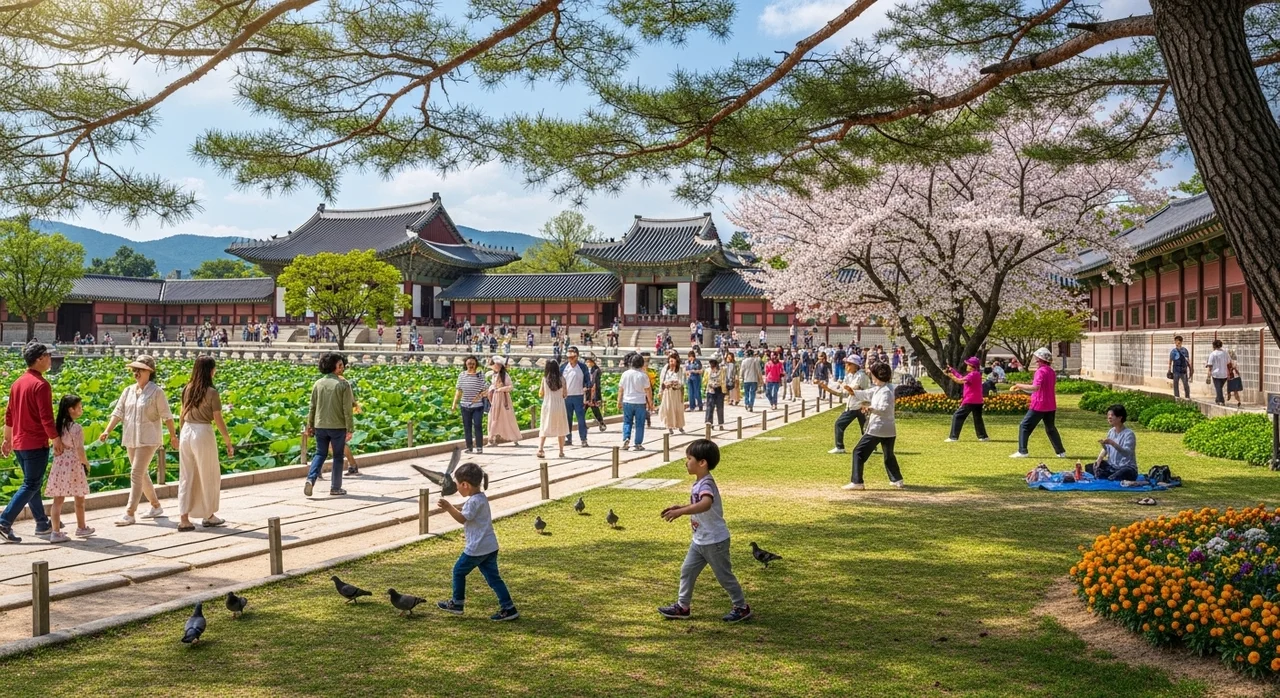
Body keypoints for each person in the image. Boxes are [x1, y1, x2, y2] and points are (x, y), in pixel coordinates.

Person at [657, 439, 753, 623]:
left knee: (724, 576)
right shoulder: (699, 482)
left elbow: (706, 503)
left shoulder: (706, 483)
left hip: (714, 541)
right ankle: (682, 607)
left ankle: (741, 607)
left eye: (689, 458)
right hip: (700, 540)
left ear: (702, 463)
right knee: (687, 571)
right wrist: (683, 506)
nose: (686, 462)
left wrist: (681, 511)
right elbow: (698, 503)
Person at [434, 462, 519, 621]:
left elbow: (462, 518)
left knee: (458, 571)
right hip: (490, 546)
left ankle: (457, 603)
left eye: (458, 485)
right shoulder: (480, 498)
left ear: (465, 484)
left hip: (477, 548)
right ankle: (509, 608)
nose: (457, 488)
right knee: (494, 579)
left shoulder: (473, 501)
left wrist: (448, 507)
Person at [100, 354, 177, 526]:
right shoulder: (128, 391)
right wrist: (107, 430)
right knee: (141, 474)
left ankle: (129, 513)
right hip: (130, 437)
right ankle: (156, 506)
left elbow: (167, 417)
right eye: (135, 370)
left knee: (135, 473)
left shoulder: (157, 392)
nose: (136, 373)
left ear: (149, 371)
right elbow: (118, 413)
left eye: (140, 370)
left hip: (149, 439)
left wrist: (173, 436)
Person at [0, 342, 61, 543]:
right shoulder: (41, 385)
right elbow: (46, 417)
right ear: (39, 359)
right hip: (35, 442)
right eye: (48, 355)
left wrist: (7, 439)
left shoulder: (17, 383)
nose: (50, 359)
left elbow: (9, 415)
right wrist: (56, 438)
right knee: (31, 483)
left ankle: (42, 523)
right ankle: (4, 521)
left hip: (19, 442)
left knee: (31, 483)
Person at [177, 356, 234, 531]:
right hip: (202, 432)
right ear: (210, 370)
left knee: (186, 476)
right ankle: (208, 515)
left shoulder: (187, 388)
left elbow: (181, 413)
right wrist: (228, 441)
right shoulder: (212, 392)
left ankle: (184, 518)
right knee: (208, 474)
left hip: (186, 430)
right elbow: (218, 419)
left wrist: (180, 434)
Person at [843, 362, 905, 490]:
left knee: (858, 452)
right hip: (888, 430)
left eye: (873, 376)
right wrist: (852, 392)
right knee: (888, 455)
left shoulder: (886, 392)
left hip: (878, 427)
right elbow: (866, 393)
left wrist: (870, 409)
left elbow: (884, 408)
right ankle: (897, 479)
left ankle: (857, 482)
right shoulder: (881, 388)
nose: (872, 378)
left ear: (878, 376)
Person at [303, 353, 354, 497]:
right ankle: (335, 487)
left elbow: (312, 407)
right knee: (338, 456)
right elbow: (347, 409)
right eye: (340, 365)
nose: (342, 368)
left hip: (320, 425)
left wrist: (310, 425)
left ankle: (310, 479)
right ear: (334, 367)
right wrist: (350, 429)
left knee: (320, 453)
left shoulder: (318, 384)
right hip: (337, 426)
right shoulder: (343, 384)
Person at [45, 395, 93, 542]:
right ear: (71, 409)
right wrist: (86, 463)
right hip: (74, 464)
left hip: (59, 464)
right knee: (79, 497)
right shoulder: (76, 428)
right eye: (79, 407)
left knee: (58, 500)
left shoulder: (57, 427)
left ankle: (55, 532)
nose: (81, 409)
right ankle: (81, 527)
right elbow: (79, 449)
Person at [1009, 347, 1066, 459]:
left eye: (1037, 359)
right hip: (1050, 405)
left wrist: (1019, 385)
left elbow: (1035, 388)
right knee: (1050, 428)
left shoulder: (1040, 371)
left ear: (1041, 360)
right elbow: (1040, 388)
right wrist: (1022, 388)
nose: (1036, 361)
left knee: (1024, 426)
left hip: (1039, 404)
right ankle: (1061, 452)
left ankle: (1022, 451)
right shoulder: (1051, 371)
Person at [823, 355, 870, 454]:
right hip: (852, 405)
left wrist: (843, 385)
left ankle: (841, 447)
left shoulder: (861, 376)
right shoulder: (849, 376)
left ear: (855, 365)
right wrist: (828, 389)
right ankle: (840, 447)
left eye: (849, 364)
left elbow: (852, 389)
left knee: (864, 427)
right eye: (846, 363)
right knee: (864, 427)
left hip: (860, 405)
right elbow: (844, 392)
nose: (846, 366)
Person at [944, 357, 989, 442]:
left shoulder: (972, 375)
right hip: (978, 400)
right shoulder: (976, 374)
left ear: (972, 366)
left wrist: (950, 375)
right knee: (977, 418)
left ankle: (953, 437)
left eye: (968, 364)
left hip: (970, 400)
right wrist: (952, 370)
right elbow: (962, 378)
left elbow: (960, 381)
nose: (966, 366)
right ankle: (983, 436)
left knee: (957, 416)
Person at [1088, 404, 1138, 481]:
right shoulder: (1111, 432)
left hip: (1126, 467)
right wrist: (1099, 459)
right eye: (1108, 415)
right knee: (1089, 467)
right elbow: (1106, 449)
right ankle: (1108, 475)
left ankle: (1108, 476)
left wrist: (1112, 443)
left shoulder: (1129, 434)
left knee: (1123, 473)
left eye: (1112, 415)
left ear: (1120, 417)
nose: (1109, 417)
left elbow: (1126, 453)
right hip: (1112, 467)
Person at [452, 355, 487, 454]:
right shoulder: (462, 375)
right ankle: (469, 447)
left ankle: (479, 447)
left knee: (477, 425)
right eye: (469, 364)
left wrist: (479, 396)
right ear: (465, 364)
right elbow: (458, 391)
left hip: (478, 406)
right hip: (464, 405)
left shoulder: (480, 375)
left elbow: (485, 390)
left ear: (476, 364)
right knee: (467, 426)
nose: (471, 365)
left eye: (473, 364)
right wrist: (454, 403)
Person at [618, 353, 652, 451]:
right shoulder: (643, 375)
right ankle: (638, 443)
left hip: (627, 401)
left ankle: (626, 438)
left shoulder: (625, 374)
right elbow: (648, 390)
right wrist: (650, 403)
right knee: (640, 424)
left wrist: (619, 401)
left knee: (627, 422)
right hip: (640, 402)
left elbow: (621, 389)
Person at [487, 356, 523, 447]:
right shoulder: (493, 375)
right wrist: (492, 389)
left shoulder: (505, 375)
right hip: (495, 398)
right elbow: (493, 385)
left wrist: (500, 389)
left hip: (503, 398)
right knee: (493, 418)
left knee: (507, 417)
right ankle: (492, 439)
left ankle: (514, 438)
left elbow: (510, 387)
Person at [560, 346, 592, 448]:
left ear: (577, 356)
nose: (571, 359)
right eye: (569, 357)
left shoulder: (582, 367)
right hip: (566, 397)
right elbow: (559, 380)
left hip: (579, 396)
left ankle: (583, 439)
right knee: (567, 419)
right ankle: (568, 438)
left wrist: (586, 387)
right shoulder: (563, 367)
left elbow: (588, 380)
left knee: (581, 419)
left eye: (572, 357)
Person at [537, 359, 569, 459]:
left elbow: (541, 393)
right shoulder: (562, 379)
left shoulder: (544, 379)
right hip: (559, 405)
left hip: (548, 404)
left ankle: (541, 449)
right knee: (561, 428)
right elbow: (565, 394)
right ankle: (561, 451)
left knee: (544, 427)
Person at [659, 353, 686, 434]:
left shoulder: (680, 369)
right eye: (670, 361)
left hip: (677, 392)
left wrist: (677, 383)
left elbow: (682, 380)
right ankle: (669, 426)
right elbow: (662, 379)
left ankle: (680, 426)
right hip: (668, 392)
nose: (671, 363)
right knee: (668, 409)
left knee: (678, 409)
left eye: (673, 361)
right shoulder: (665, 368)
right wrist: (665, 384)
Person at [703, 358, 727, 429]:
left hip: (719, 390)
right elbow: (704, 380)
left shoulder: (721, 370)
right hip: (710, 390)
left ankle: (720, 423)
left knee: (720, 407)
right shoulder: (708, 370)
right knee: (710, 407)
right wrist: (709, 384)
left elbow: (723, 379)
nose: (712, 365)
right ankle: (709, 423)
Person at [1205, 339, 1229, 405]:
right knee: (1219, 387)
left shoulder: (1213, 354)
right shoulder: (1225, 353)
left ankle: (1221, 401)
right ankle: (1217, 400)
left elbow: (1210, 366)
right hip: (1224, 374)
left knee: (1218, 388)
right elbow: (1228, 362)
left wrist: (1208, 376)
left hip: (1216, 374)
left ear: (1214, 346)